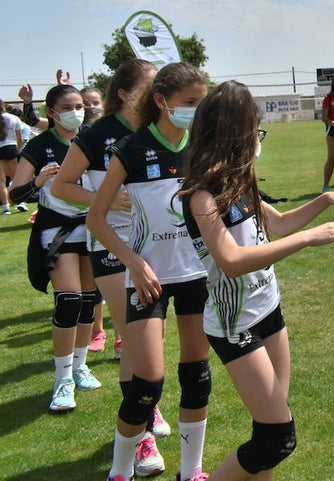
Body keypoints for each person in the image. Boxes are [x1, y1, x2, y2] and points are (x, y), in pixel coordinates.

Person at [180, 80, 334, 481]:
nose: (256, 140)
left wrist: (324, 201)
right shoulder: (200, 196)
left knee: (268, 434)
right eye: (254, 131)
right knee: (278, 439)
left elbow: (279, 224)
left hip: (268, 311)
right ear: (232, 134)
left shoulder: (241, 180)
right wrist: (308, 239)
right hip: (235, 325)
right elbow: (231, 261)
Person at [88, 62, 212, 481]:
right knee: (147, 382)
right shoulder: (131, 148)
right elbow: (96, 220)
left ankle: (190, 471)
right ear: (161, 101)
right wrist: (134, 263)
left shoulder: (203, 145)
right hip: (147, 278)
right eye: (189, 102)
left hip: (196, 275)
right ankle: (120, 471)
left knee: (197, 376)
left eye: (201, 102)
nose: (196, 110)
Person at [52, 59, 174, 471]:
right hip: (110, 246)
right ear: (124, 94)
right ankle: (141, 439)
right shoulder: (96, 134)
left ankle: (145, 406)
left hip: (155, 246)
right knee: (136, 339)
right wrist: (103, 199)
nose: (158, 93)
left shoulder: (159, 129)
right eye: (150, 86)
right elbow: (61, 185)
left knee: (150, 339)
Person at [8, 84, 103, 413]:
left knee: (89, 300)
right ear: (51, 112)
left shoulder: (90, 139)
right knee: (69, 300)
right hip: (56, 230)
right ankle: (62, 379)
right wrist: (37, 182)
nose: (75, 112)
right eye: (67, 107)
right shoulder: (39, 145)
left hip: (91, 227)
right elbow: (15, 195)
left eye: (79, 106)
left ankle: (80, 365)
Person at [1, 99, 26, 215]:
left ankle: (6, 207)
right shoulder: (13, 118)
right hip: (11, 147)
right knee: (15, 177)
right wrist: (18, 150)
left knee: (1, 181)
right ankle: (20, 202)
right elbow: (19, 138)